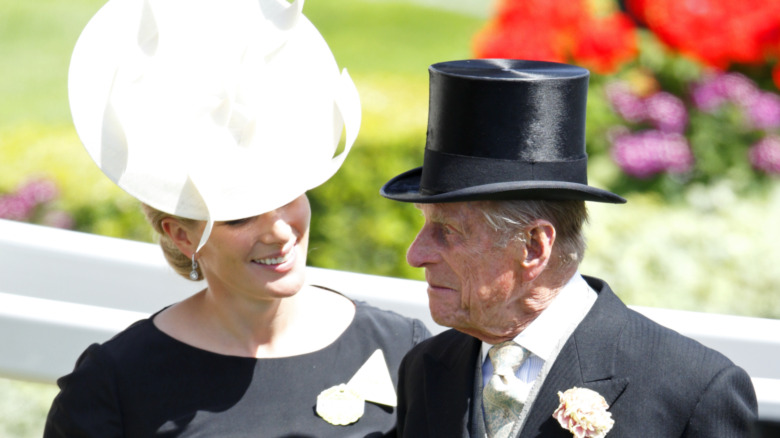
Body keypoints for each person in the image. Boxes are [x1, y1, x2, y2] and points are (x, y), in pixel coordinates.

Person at [44, 0, 429, 436]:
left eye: (288, 196)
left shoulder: (402, 349)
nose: (280, 230)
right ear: (181, 235)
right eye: (240, 217)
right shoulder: (113, 386)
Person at [380, 59, 758, 437]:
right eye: (424, 222)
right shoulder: (426, 368)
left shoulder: (692, 392)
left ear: (533, 246)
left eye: (447, 230)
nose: (416, 255)